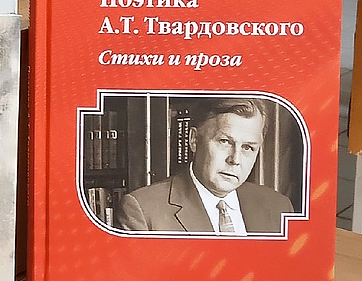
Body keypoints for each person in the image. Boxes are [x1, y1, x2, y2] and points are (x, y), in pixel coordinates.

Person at [116, 98, 294, 235]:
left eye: (248, 147)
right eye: (224, 141)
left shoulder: (278, 207)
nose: (235, 159)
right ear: (194, 140)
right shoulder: (143, 211)